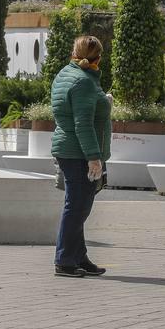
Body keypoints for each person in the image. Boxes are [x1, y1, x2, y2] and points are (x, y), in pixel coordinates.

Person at [49, 35, 111, 279]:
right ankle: (64, 260)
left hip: (69, 149)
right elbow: (83, 124)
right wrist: (94, 158)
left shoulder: (66, 73)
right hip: (79, 152)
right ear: (98, 56)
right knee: (77, 207)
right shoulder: (83, 81)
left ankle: (78, 256)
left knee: (78, 206)